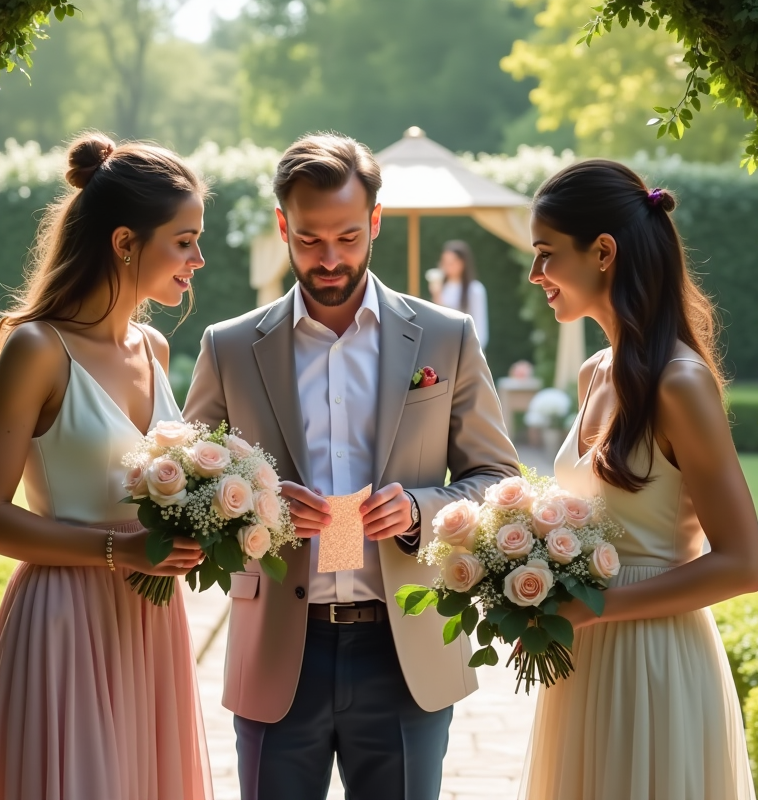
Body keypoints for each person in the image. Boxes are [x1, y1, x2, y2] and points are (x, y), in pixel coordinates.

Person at [183, 132, 521, 800]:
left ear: (375, 222)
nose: (330, 259)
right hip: (280, 649)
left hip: (403, 653)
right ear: (283, 224)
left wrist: (421, 510)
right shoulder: (226, 348)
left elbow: (499, 480)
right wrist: (259, 504)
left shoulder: (445, 337)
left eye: (346, 237)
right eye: (309, 240)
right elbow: (186, 492)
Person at [0, 133, 213, 800]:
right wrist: (115, 549)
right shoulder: (38, 349)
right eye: (183, 240)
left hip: (149, 623)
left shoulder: (153, 347)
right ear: (126, 242)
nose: (198, 258)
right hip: (64, 623)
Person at [521, 160, 758, 800]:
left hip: (653, 660)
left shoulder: (679, 383)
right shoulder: (595, 372)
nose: (535, 275)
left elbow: (743, 563)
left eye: (546, 255)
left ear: (603, 252)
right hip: (583, 660)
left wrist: (594, 609)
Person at [427, 239, 489, 348]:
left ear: (462, 263)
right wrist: (436, 295)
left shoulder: (475, 289)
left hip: (466, 347)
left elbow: (480, 325)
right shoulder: (441, 288)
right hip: (443, 345)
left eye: (451, 262)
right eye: (444, 262)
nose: (447, 266)